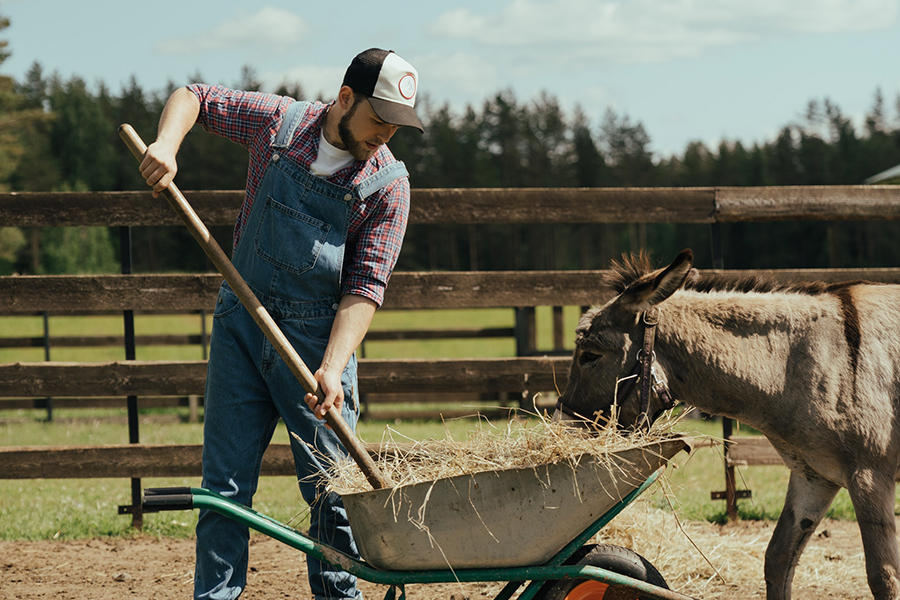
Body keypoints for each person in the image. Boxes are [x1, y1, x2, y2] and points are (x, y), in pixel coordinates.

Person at [138, 48, 423, 600]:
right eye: (378, 119)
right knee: (224, 492)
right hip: (241, 329)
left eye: (397, 125)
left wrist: (333, 369)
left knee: (333, 498)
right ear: (345, 99)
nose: (385, 134)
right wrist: (167, 145)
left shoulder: (388, 185)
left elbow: (365, 288)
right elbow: (194, 96)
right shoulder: (279, 125)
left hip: (317, 347)